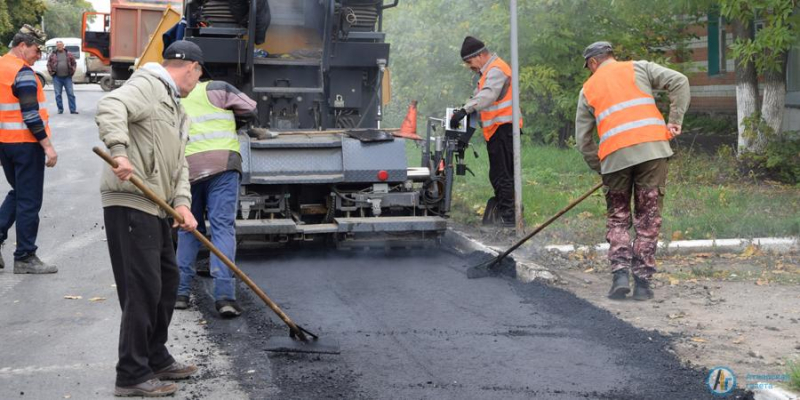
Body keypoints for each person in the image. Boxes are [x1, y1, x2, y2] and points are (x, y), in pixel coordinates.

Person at [96, 40, 204, 397]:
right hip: (131, 200)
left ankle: (156, 357)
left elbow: (179, 165)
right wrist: (119, 152)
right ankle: (131, 374)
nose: (197, 83)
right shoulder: (147, 84)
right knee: (141, 289)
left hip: (158, 204)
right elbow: (111, 105)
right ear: (191, 67)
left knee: (166, 284)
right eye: (198, 75)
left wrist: (184, 203)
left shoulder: (177, 109)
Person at [574, 41, 690, 301]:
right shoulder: (640, 68)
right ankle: (643, 285)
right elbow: (680, 81)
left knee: (618, 217)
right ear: (611, 56)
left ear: (593, 63)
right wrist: (674, 122)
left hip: (615, 158)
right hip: (652, 152)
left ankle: (620, 276)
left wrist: (602, 167)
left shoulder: (588, 89)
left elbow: (583, 141)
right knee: (648, 218)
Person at [175, 79, 257, 317]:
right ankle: (225, 298)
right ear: (198, 69)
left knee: (187, 227)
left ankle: (180, 294)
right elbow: (250, 108)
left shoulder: (172, 91)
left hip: (186, 168)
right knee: (222, 228)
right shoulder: (217, 88)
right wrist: (236, 121)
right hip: (222, 165)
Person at [0, 24, 58, 274]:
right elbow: (31, 114)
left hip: (6, 144)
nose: (38, 56)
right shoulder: (22, 72)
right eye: (36, 50)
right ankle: (25, 256)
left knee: (19, 193)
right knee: (29, 200)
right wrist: (48, 146)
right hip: (26, 144)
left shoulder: (1, 66)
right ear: (22, 46)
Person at [450, 36, 523, 226]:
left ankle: (509, 222)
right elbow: (479, 100)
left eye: (469, 62)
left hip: (504, 129)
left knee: (503, 176)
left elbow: (487, 96)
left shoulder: (496, 70)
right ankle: (508, 214)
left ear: (481, 55)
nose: (469, 66)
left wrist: (465, 110)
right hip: (498, 130)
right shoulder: (488, 72)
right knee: (499, 175)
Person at [47, 40, 78, 114]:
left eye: (60, 45)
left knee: (71, 94)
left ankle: (73, 110)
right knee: (58, 95)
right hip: (57, 78)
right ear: (56, 46)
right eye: (58, 45)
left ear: (63, 45)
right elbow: (48, 64)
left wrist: (72, 71)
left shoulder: (69, 54)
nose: (59, 46)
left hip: (67, 77)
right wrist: (51, 73)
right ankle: (60, 109)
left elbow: (74, 63)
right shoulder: (53, 55)